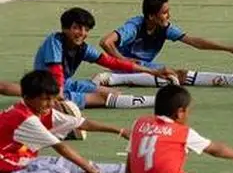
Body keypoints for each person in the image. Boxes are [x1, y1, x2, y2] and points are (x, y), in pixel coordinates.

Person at [3, 7, 164, 111]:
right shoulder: (55, 41)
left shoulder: (83, 48)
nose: (82, 33)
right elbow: (56, 72)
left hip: (65, 84)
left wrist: (151, 71)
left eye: (86, 29)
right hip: (50, 88)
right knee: (105, 98)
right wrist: (57, 98)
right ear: (65, 28)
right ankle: (161, 102)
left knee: (114, 93)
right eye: (77, 28)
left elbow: (111, 62)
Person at [0, 70, 128, 173]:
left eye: (53, 99)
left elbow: (83, 123)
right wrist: (88, 168)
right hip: (7, 163)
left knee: (75, 165)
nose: (51, 104)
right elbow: (61, 147)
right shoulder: (25, 118)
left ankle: (129, 169)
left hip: (23, 158)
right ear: (27, 98)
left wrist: (120, 130)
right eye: (46, 99)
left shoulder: (42, 110)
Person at [99, 0, 233, 88]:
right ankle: (115, 78)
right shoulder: (134, 27)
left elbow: (195, 42)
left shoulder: (165, 28)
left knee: (178, 75)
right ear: (151, 16)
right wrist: (124, 61)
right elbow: (105, 42)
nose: (169, 16)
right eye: (165, 13)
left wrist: (228, 48)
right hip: (126, 68)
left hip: (145, 67)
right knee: (173, 76)